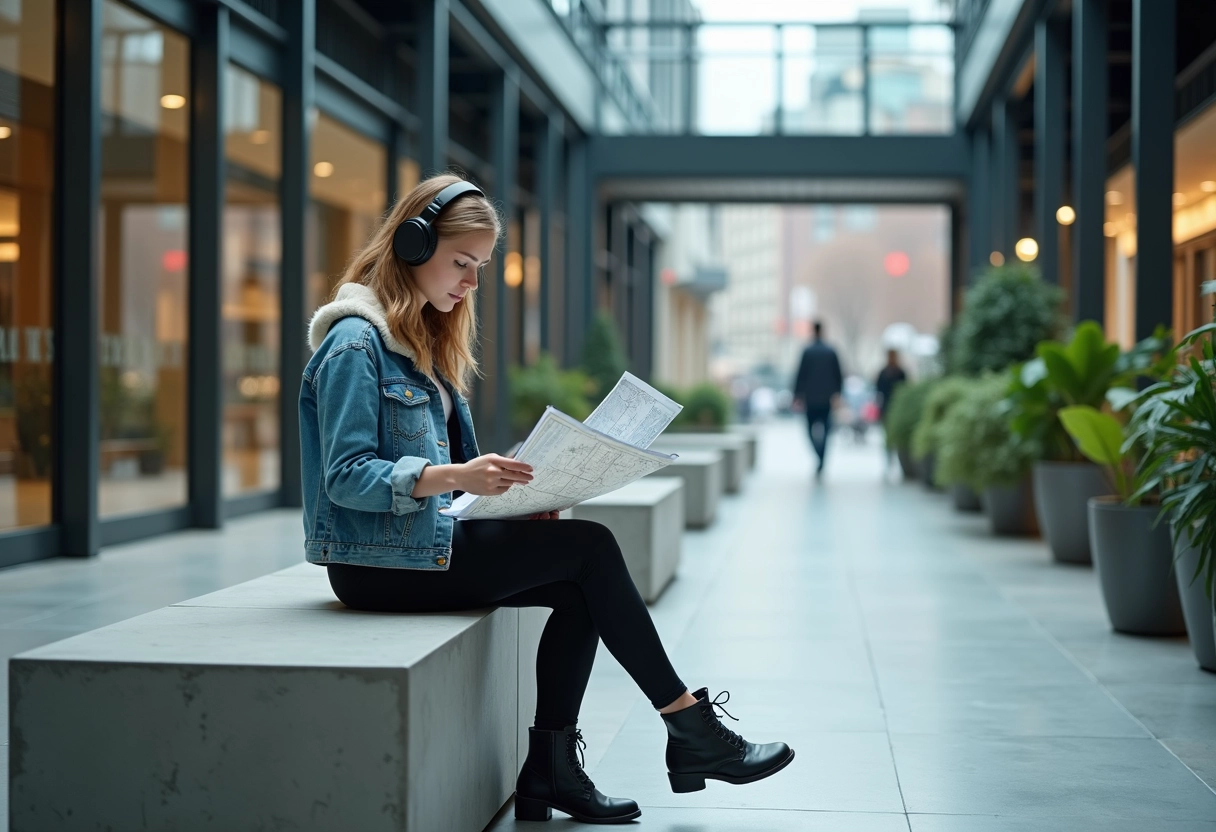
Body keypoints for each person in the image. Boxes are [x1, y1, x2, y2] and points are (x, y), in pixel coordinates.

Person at [299, 173, 793, 824]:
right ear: (413, 246)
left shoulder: (423, 342)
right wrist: (458, 476)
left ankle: (552, 771)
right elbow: (346, 475)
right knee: (591, 548)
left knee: (579, 582)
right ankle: (688, 727)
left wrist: (509, 498)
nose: (472, 282)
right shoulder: (354, 343)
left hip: (422, 542)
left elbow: (441, 480)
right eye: (462, 263)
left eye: (479, 267)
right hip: (375, 564)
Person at [792, 321, 843, 477]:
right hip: (826, 399)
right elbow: (838, 375)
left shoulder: (808, 351)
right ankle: (821, 458)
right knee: (826, 431)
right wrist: (838, 394)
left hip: (811, 399)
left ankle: (819, 456)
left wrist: (797, 395)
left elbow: (800, 375)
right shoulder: (831, 351)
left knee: (809, 430)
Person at [875, 349, 908, 475]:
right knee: (888, 436)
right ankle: (889, 460)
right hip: (888, 408)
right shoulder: (885, 372)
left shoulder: (899, 372)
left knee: (894, 436)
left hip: (896, 408)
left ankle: (893, 460)